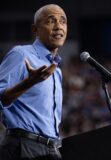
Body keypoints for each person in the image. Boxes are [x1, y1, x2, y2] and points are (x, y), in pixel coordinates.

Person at [0, 4, 67, 160]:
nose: (58, 26)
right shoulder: (21, 54)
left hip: (51, 150)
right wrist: (29, 82)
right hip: (23, 147)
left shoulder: (57, 70)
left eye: (63, 21)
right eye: (51, 21)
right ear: (35, 29)